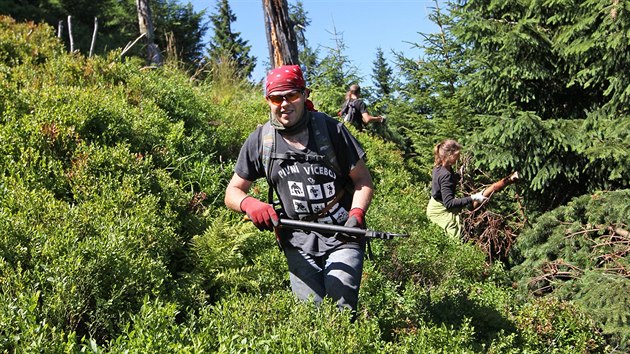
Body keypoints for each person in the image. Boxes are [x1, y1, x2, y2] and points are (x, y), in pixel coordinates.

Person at [224, 65, 375, 315]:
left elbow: (363, 180)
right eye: (276, 98)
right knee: (310, 313)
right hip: (296, 239)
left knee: (341, 304)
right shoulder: (262, 140)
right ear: (268, 100)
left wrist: (356, 214)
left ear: (304, 95)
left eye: (292, 95)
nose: (284, 104)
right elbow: (233, 192)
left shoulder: (330, 130)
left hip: (342, 233)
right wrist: (250, 204)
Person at [426, 139, 486, 238]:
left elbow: (445, 182)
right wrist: (473, 197)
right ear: (449, 155)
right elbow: (449, 203)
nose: (458, 158)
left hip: (434, 204)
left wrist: (458, 174)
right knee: (454, 236)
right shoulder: (445, 175)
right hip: (438, 211)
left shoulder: (440, 166)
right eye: (457, 155)